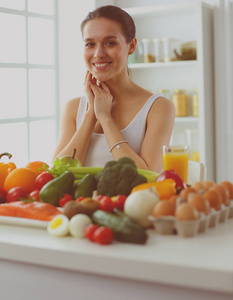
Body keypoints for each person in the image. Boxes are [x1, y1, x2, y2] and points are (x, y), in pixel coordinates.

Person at [53, 5, 175, 173]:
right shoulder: (73, 109)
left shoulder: (158, 107)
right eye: (90, 44)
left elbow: (147, 176)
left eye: (110, 43)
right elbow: (56, 174)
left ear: (131, 46)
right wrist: (91, 116)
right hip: (78, 200)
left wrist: (105, 118)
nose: (98, 53)